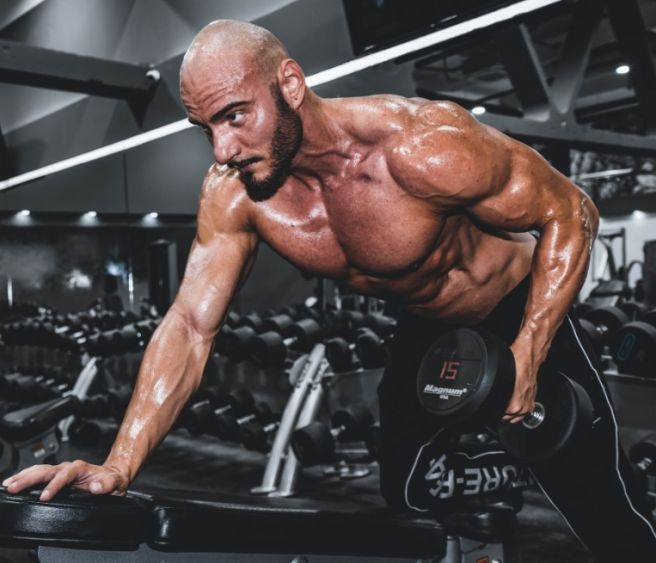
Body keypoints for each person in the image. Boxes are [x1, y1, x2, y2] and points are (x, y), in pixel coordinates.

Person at [3, 20, 655, 561]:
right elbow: (190, 326)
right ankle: (488, 486)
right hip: (425, 325)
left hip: (520, 308)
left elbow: (571, 210)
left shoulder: (422, 147)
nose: (222, 148)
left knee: (606, 509)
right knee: (404, 491)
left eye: (235, 116)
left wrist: (530, 351)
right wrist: (119, 463)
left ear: (290, 84)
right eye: (205, 127)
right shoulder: (235, 197)